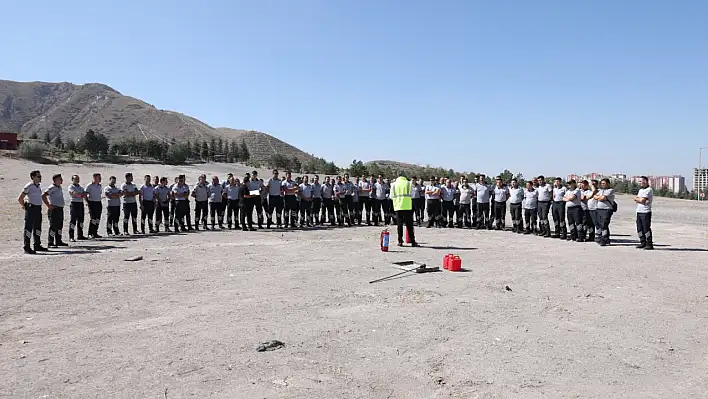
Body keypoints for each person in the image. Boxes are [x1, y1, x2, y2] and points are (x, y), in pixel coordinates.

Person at [18, 170, 47, 254]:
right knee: (28, 228)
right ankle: (27, 246)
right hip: (31, 208)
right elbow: (20, 198)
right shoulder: (29, 186)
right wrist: (24, 206)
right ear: (33, 177)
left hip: (38, 208)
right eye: (38, 176)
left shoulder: (38, 186)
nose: (40, 178)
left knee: (38, 227)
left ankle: (37, 244)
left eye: (40, 176)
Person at [391, 172, 418, 247]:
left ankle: (400, 241)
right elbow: (412, 195)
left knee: (399, 225)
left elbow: (391, 196)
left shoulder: (393, 184)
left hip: (398, 206)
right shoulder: (409, 184)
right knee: (409, 225)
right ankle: (412, 241)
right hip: (407, 206)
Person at [42, 173, 68, 248]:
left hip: (60, 209)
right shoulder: (52, 187)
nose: (62, 180)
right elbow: (43, 195)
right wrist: (48, 205)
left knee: (60, 225)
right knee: (53, 226)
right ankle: (50, 242)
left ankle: (58, 240)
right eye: (60, 179)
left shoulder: (59, 187)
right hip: (54, 209)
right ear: (55, 180)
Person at [634, 176, 654, 250]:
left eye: (640, 181)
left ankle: (649, 243)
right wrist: (638, 199)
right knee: (639, 228)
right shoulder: (641, 190)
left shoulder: (649, 190)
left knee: (646, 228)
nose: (639, 183)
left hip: (645, 212)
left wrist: (639, 199)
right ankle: (642, 242)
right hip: (639, 211)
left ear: (645, 181)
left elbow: (642, 200)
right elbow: (637, 199)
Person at [593, 178, 615, 246]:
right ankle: (605, 239)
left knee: (604, 225)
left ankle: (604, 239)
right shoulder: (600, 190)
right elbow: (595, 196)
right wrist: (600, 197)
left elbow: (603, 198)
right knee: (600, 224)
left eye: (604, 183)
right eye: (602, 183)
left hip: (607, 209)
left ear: (608, 183)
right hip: (599, 209)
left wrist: (599, 197)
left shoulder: (610, 190)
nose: (602, 185)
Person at [68, 174, 88, 241]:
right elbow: (75, 194)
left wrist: (82, 196)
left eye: (78, 179)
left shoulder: (81, 187)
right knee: (73, 221)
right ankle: (71, 236)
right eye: (75, 179)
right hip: (74, 204)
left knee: (81, 220)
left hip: (80, 204)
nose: (77, 180)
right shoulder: (71, 187)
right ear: (72, 180)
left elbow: (85, 195)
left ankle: (80, 235)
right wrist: (81, 195)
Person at [85, 173, 103, 239]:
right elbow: (85, 194)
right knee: (93, 218)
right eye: (99, 177)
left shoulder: (99, 186)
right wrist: (88, 202)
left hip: (98, 202)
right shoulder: (90, 185)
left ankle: (95, 232)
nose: (100, 178)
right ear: (94, 178)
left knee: (98, 218)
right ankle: (90, 233)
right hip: (92, 203)